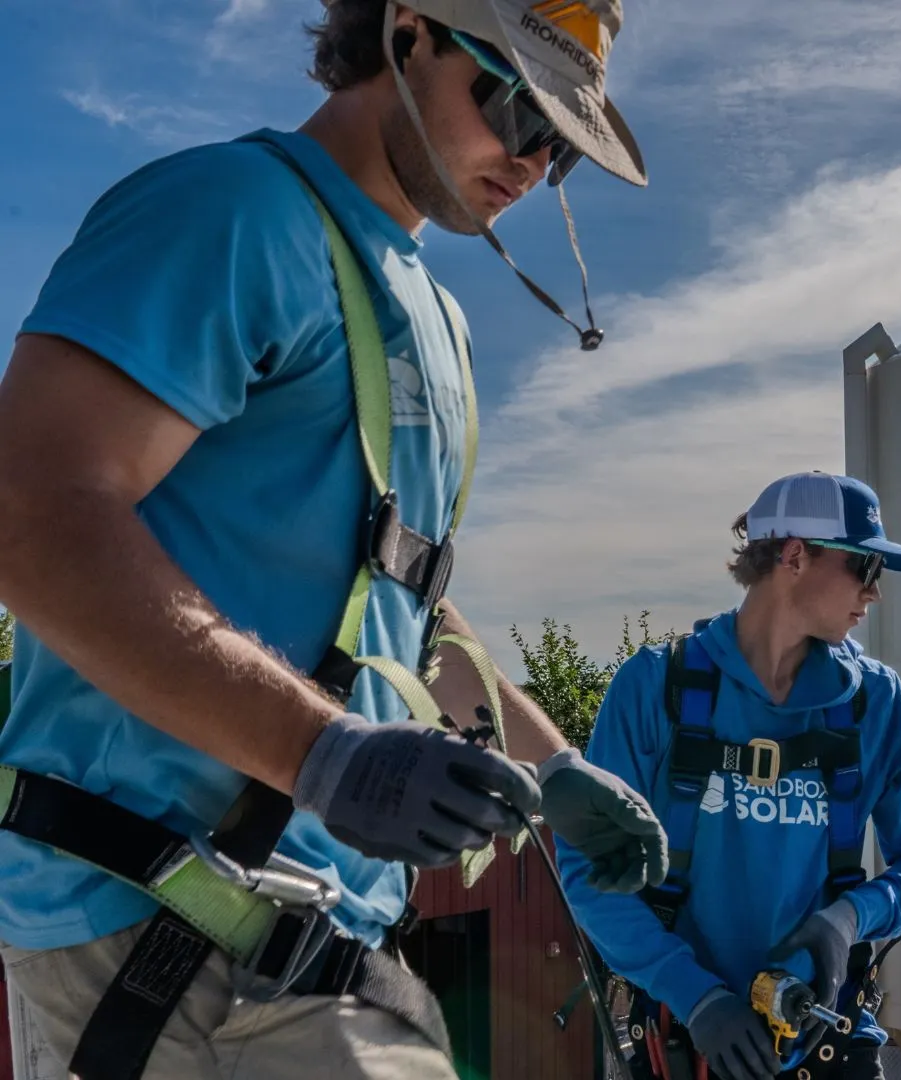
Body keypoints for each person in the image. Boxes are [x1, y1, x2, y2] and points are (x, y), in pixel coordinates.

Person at [0, 2, 663, 1077]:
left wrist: (556, 764)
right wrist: (325, 755)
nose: (534, 162)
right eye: (516, 108)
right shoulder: (232, 212)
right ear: (408, 31)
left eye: (563, 145)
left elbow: (400, 603)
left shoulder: (436, 318)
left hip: (312, 938)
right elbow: (29, 513)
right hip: (152, 917)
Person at [560, 472, 901, 1080]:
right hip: (689, 1043)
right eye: (864, 567)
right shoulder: (654, 687)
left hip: (830, 1046)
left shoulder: (874, 702)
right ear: (794, 556)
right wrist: (697, 997)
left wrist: (851, 917)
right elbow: (588, 868)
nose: (875, 592)